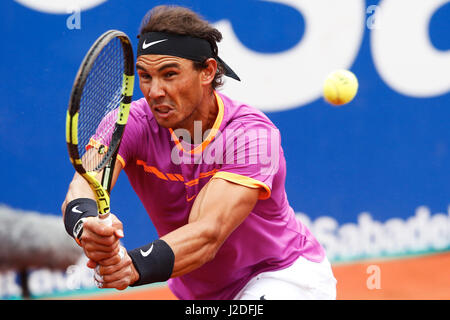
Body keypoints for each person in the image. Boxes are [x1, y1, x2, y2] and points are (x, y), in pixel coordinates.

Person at [61, 5, 337, 300]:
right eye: (145, 76)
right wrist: (86, 224)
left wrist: (133, 265)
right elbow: (83, 185)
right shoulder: (129, 123)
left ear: (207, 71)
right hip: (200, 293)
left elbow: (208, 233)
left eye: (169, 74)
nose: (155, 91)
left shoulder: (252, 135)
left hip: (283, 275)